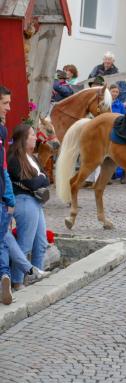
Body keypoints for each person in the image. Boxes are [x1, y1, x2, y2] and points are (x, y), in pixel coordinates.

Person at [7, 123, 51, 291]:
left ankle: (35, 277)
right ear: (23, 139)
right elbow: (32, 183)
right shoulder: (14, 159)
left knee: (40, 243)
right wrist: (39, 179)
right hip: (24, 201)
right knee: (25, 244)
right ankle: (17, 281)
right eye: (32, 135)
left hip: (36, 202)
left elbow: (46, 177)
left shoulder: (32, 158)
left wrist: (39, 178)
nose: (35, 137)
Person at [0, 85, 14, 305]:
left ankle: (5, 277)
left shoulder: (2, 131)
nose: (9, 108)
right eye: (5, 103)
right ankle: (5, 276)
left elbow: (3, 167)